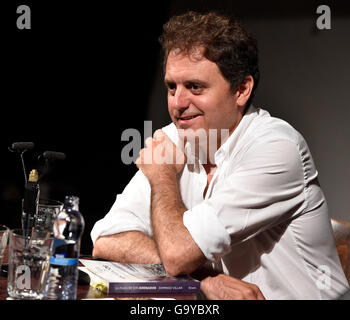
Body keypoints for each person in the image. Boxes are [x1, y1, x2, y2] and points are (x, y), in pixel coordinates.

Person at [91, 11, 349, 299]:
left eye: (195, 87)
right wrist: (205, 279)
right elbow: (106, 240)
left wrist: (163, 176)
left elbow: (177, 254)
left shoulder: (276, 147)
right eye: (171, 87)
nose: (178, 103)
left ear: (241, 89)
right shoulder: (174, 140)